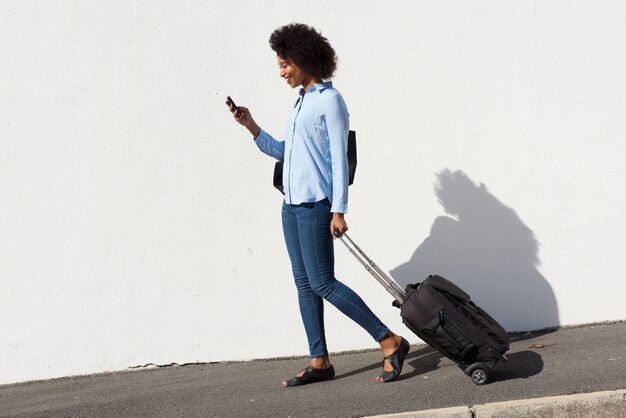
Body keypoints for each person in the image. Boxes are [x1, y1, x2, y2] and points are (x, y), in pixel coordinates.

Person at [226, 23, 409, 387]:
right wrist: (251, 126)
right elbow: (285, 153)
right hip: (291, 207)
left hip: (315, 207)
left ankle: (390, 341)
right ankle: (320, 360)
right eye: (279, 66)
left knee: (323, 282)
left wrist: (339, 210)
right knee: (304, 284)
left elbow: (340, 161)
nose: (281, 73)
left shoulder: (330, 100)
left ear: (303, 58)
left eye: (284, 64)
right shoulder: (300, 102)